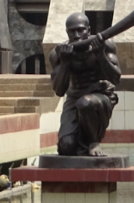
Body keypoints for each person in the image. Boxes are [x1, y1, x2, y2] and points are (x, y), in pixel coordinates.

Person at [49, 12, 121, 157]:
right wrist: (65, 63)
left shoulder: (105, 45)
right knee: (67, 147)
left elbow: (116, 79)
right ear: (66, 32)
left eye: (80, 30)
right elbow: (59, 91)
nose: (76, 35)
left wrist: (100, 55)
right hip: (74, 97)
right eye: (72, 31)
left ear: (88, 30)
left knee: (85, 102)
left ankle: (94, 142)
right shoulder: (58, 54)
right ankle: (80, 144)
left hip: (100, 95)